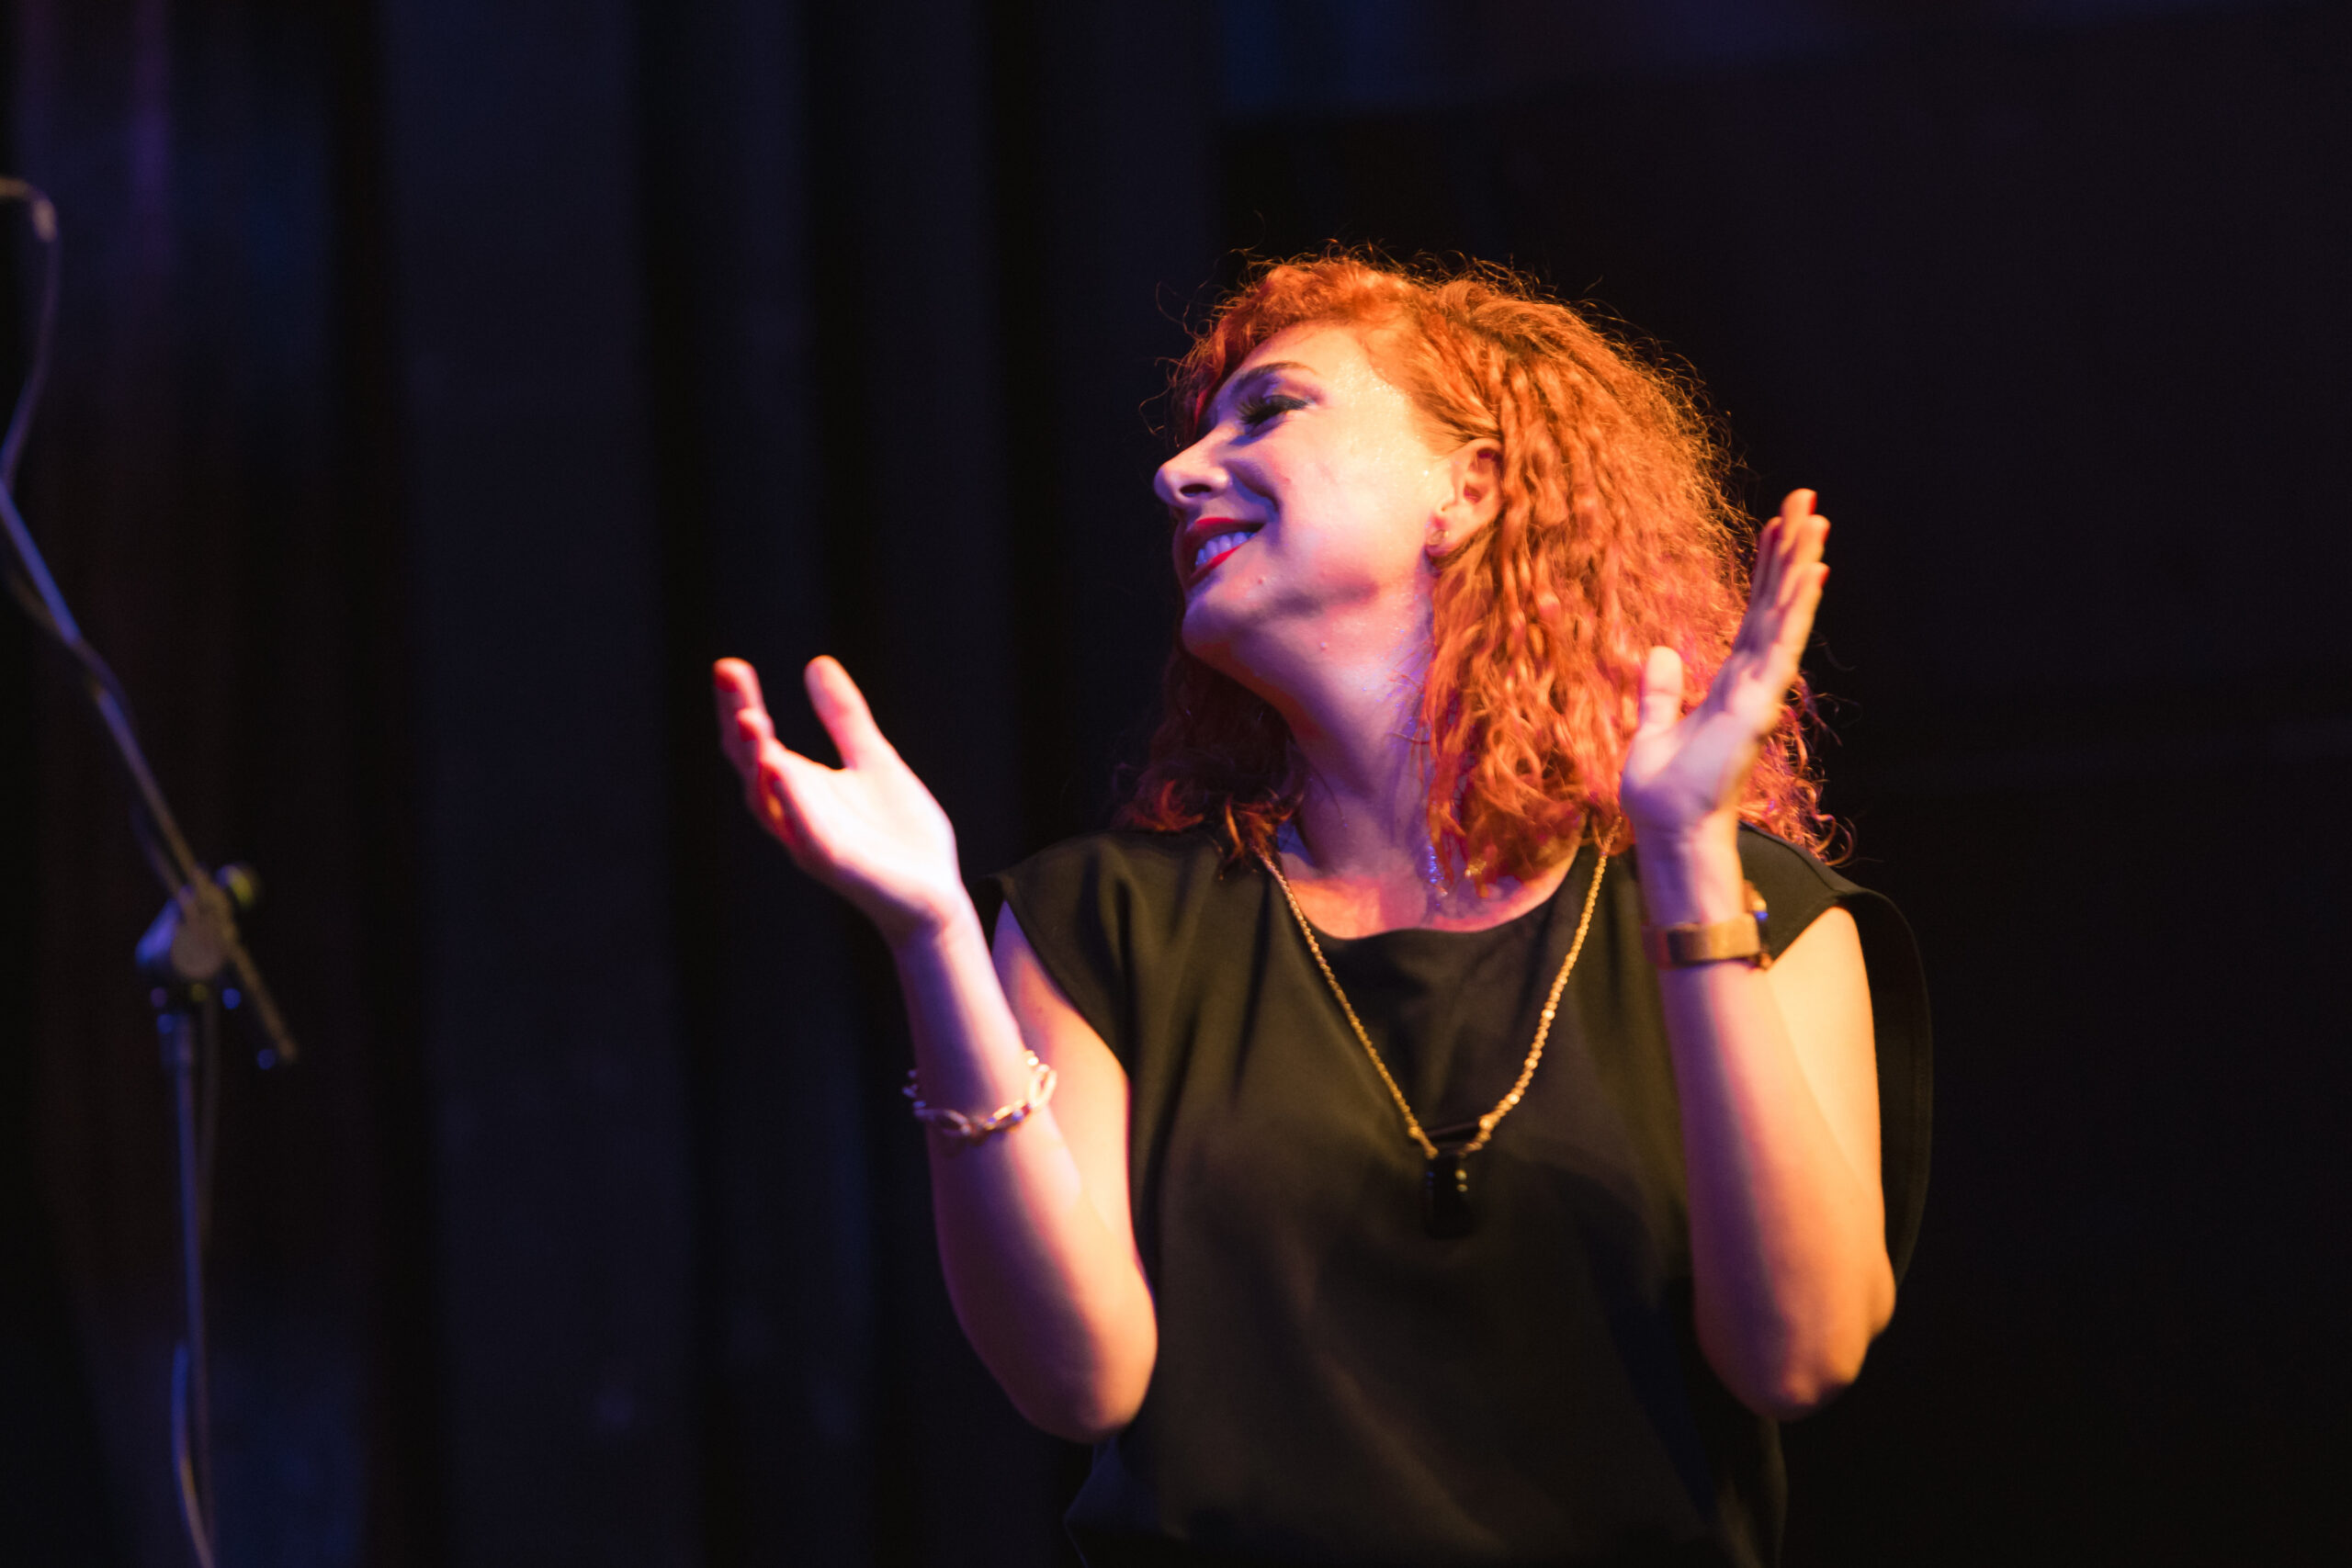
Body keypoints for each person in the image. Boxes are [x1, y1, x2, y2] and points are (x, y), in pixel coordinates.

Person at [713, 254, 1928, 1567]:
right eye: (1196, 436)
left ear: (1469, 489)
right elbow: (1078, 1382)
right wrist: (934, 937)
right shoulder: (1106, 928)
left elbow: (1798, 1354)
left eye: (1271, 410)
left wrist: (1689, 863)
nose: (1175, 475)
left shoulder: (1765, 912)